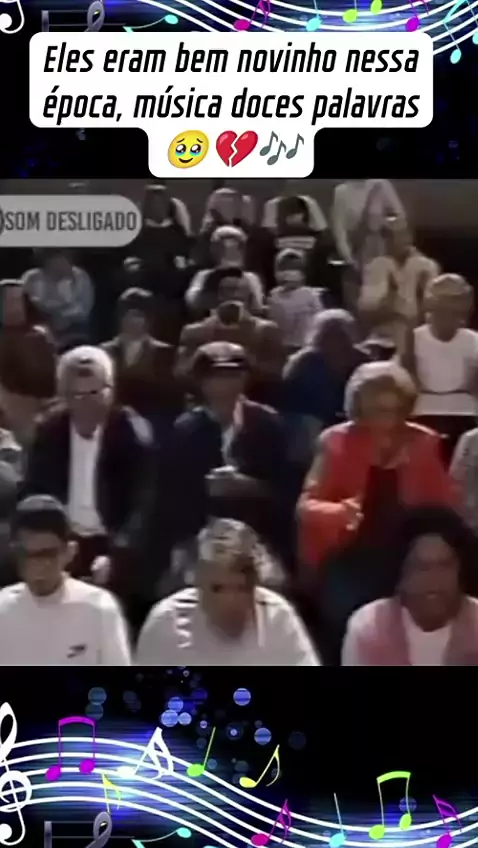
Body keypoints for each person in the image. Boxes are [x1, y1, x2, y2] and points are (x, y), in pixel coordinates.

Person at [149, 342, 295, 576]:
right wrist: (204, 490)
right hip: (200, 536)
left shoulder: (267, 423)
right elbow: (168, 498)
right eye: (216, 377)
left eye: (233, 376)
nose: (225, 385)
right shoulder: (184, 430)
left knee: (271, 581)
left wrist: (248, 487)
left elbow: (288, 490)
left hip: (258, 536)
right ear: (201, 383)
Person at [298, 361, 458, 570]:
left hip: (411, 550)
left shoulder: (425, 441)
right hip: (350, 549)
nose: (388, 419)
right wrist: (340, 512)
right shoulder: (335, 441)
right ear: (360, 409)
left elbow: (445, 505)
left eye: (395, 410)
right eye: (378, 410)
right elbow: (305, 507)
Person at [22, 346, 153, 589]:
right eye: (77, 395)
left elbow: (143, 509)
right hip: (62, 539)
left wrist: (116, 557)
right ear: (63, 397)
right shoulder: (49, 432)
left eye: (95, 393)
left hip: (113, 542)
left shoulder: (132, 435)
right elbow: (34, 492)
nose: (87, 404)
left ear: (110, 392)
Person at [136, 518, 320, 666]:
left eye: (242, 589)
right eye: (217, 588)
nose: (229, 602)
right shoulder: (166, 623)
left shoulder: (277, 618)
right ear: (198, 582)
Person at [0, 495, 131, 665]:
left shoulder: (99, 609)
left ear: (69, 552)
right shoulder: (3, 609)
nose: (37, 567)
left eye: (47, 555)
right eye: (27, 555)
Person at [341, 506, 478, 666]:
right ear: (401, 575)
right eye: (421, 567)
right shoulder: (368, 628)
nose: (434, 578)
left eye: (445, 565)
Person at [177, 269, 284, 406]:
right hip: (205, 406)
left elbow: (276, 372)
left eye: (241, 290)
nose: (235, 295)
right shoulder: (194, 332)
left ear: (250, 295)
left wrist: (243, 358)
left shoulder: (267, 330)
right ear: (213, 295)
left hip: (255, 403)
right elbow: (181, 373)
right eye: (227, 290)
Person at [102, 288, 182, 436]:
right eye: (128, 315)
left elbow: (170, 399)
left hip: (155, 423)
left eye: (138, 316)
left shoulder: (164, 352)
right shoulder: (105, 351)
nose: (133, 321)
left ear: (149, 320)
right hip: (113, 422)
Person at [359, 218, 439, 351]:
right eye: (386, 235)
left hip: (418, 341)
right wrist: (391, 299)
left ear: (409, 236)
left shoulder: (427, 267)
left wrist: (419, 297)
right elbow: (366, 313)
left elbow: (433, 315)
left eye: (397, 234)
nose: (391, 240)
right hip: (381, 340)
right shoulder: (374, 266)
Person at [0, 279, 56, 444]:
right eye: (10, 301)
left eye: (19, 300)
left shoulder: (39, 337)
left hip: (37, 409)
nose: (16, 307)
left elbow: (51, 381)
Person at [22, 250, 94, 352]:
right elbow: (26, 305)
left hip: (73, 327)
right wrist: (50, 317)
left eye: (68, 258)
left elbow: (83, 309)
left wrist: (62, 318)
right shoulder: (32, 278)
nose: (66, 263)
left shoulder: (80, 276)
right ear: (47, 261)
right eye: (59, 259)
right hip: (41, 326)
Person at [186, 226, 264, 317]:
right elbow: (192, 302)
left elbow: (257, 307)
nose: (230, 252)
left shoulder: (251, 278)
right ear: (215, 250)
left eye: (235, 248)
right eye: (223, 248)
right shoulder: (203, 276)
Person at [331, 179, 406, 269]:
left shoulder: (381, 186)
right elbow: (339, 232)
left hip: (381, 248)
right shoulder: (341, 191)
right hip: (357, 252)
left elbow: (401, 220)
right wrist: (350, 260)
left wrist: (381, 222)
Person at [267, 249, 325, 352]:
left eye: (294, 268)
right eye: (284, 268)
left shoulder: (310, 295)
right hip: (282, 347)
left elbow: (321, 322)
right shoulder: (273, 296)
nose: (288, 273)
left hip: (305, 347)